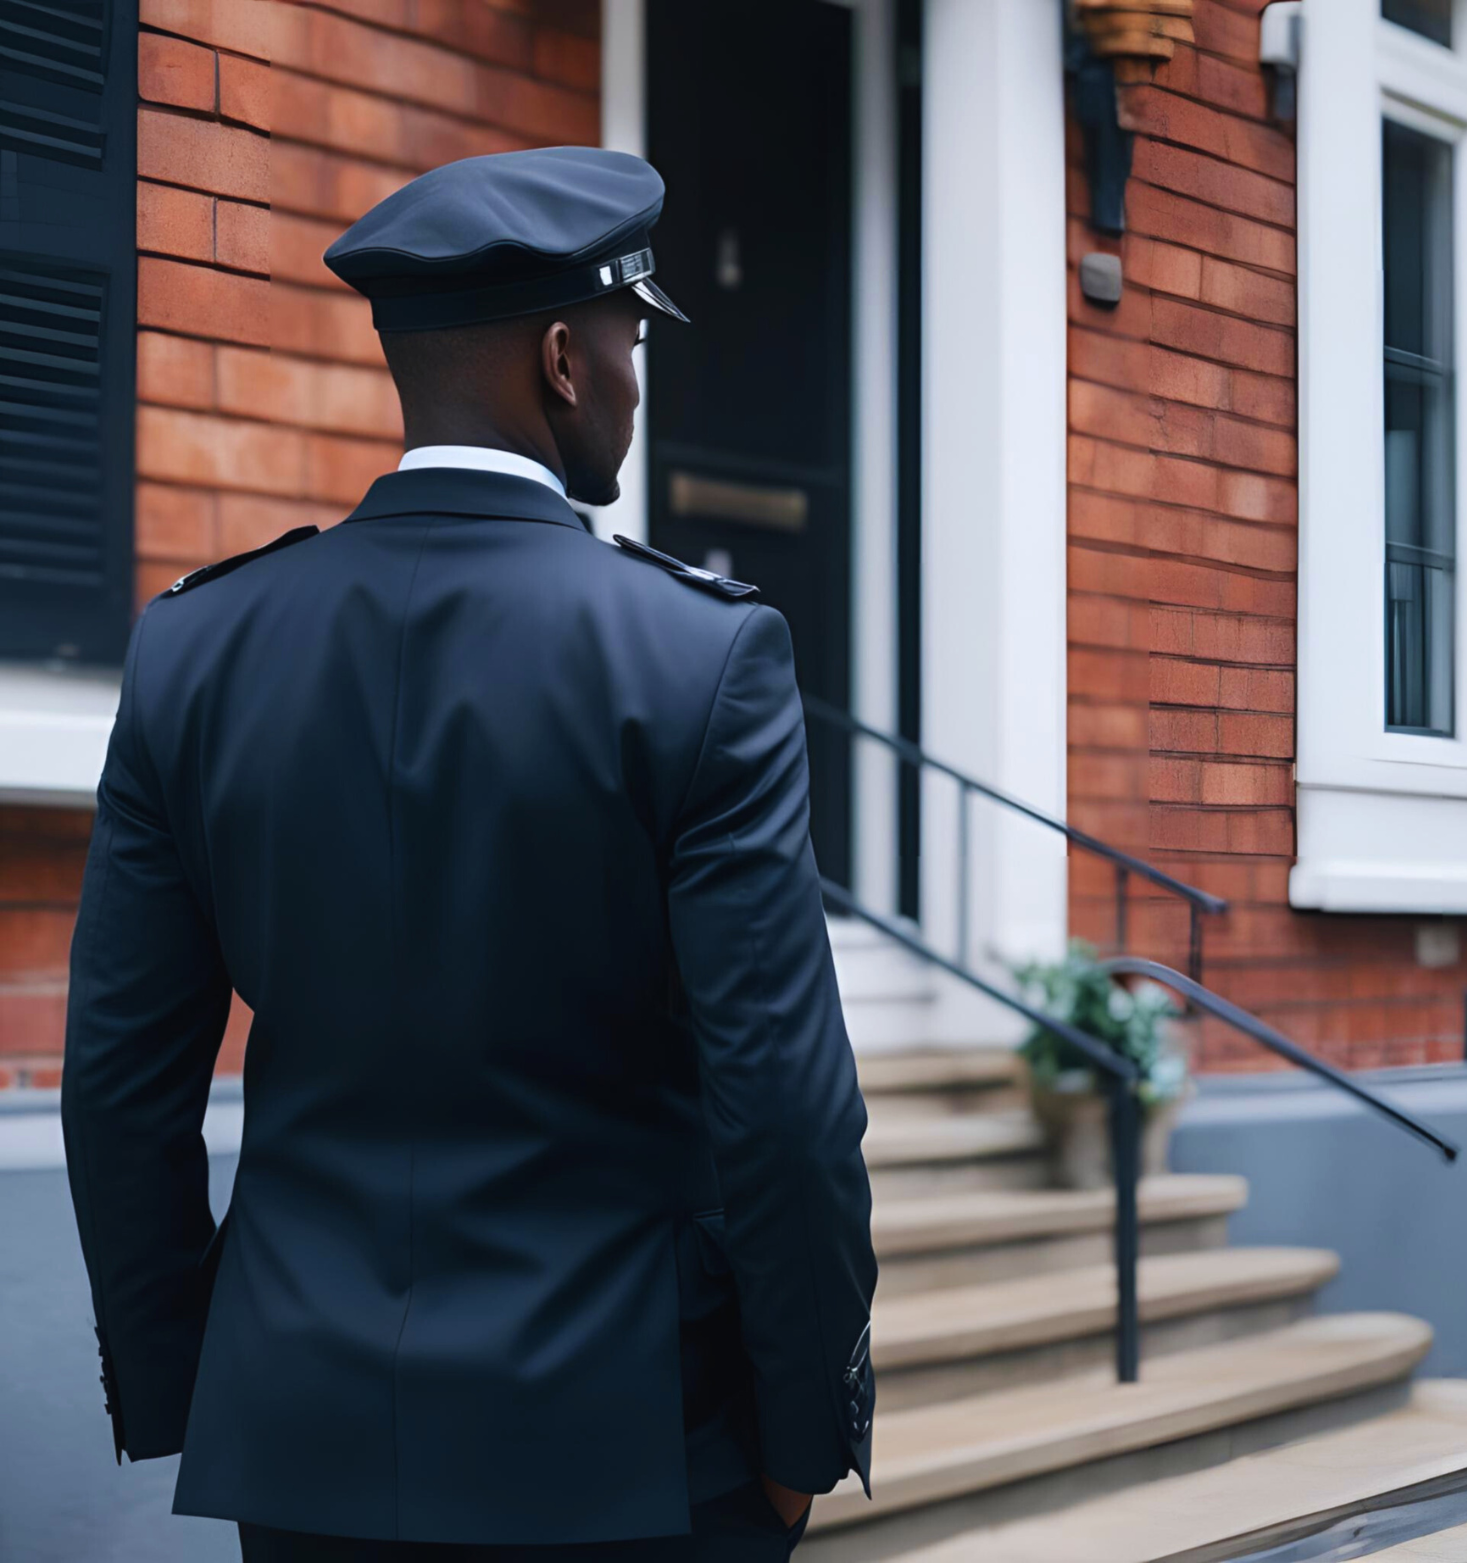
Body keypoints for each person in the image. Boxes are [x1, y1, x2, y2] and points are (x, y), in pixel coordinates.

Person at [60, 146, 876, 1562]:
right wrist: (802, 1433)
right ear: (562, 357)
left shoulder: (196, 649)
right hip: (629, 1456)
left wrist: (199, 1383)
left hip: (303, 1448)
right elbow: (786, 1110)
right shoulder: (697, 656)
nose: (635, 371)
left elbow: (119, 1088)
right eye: (630, 334)